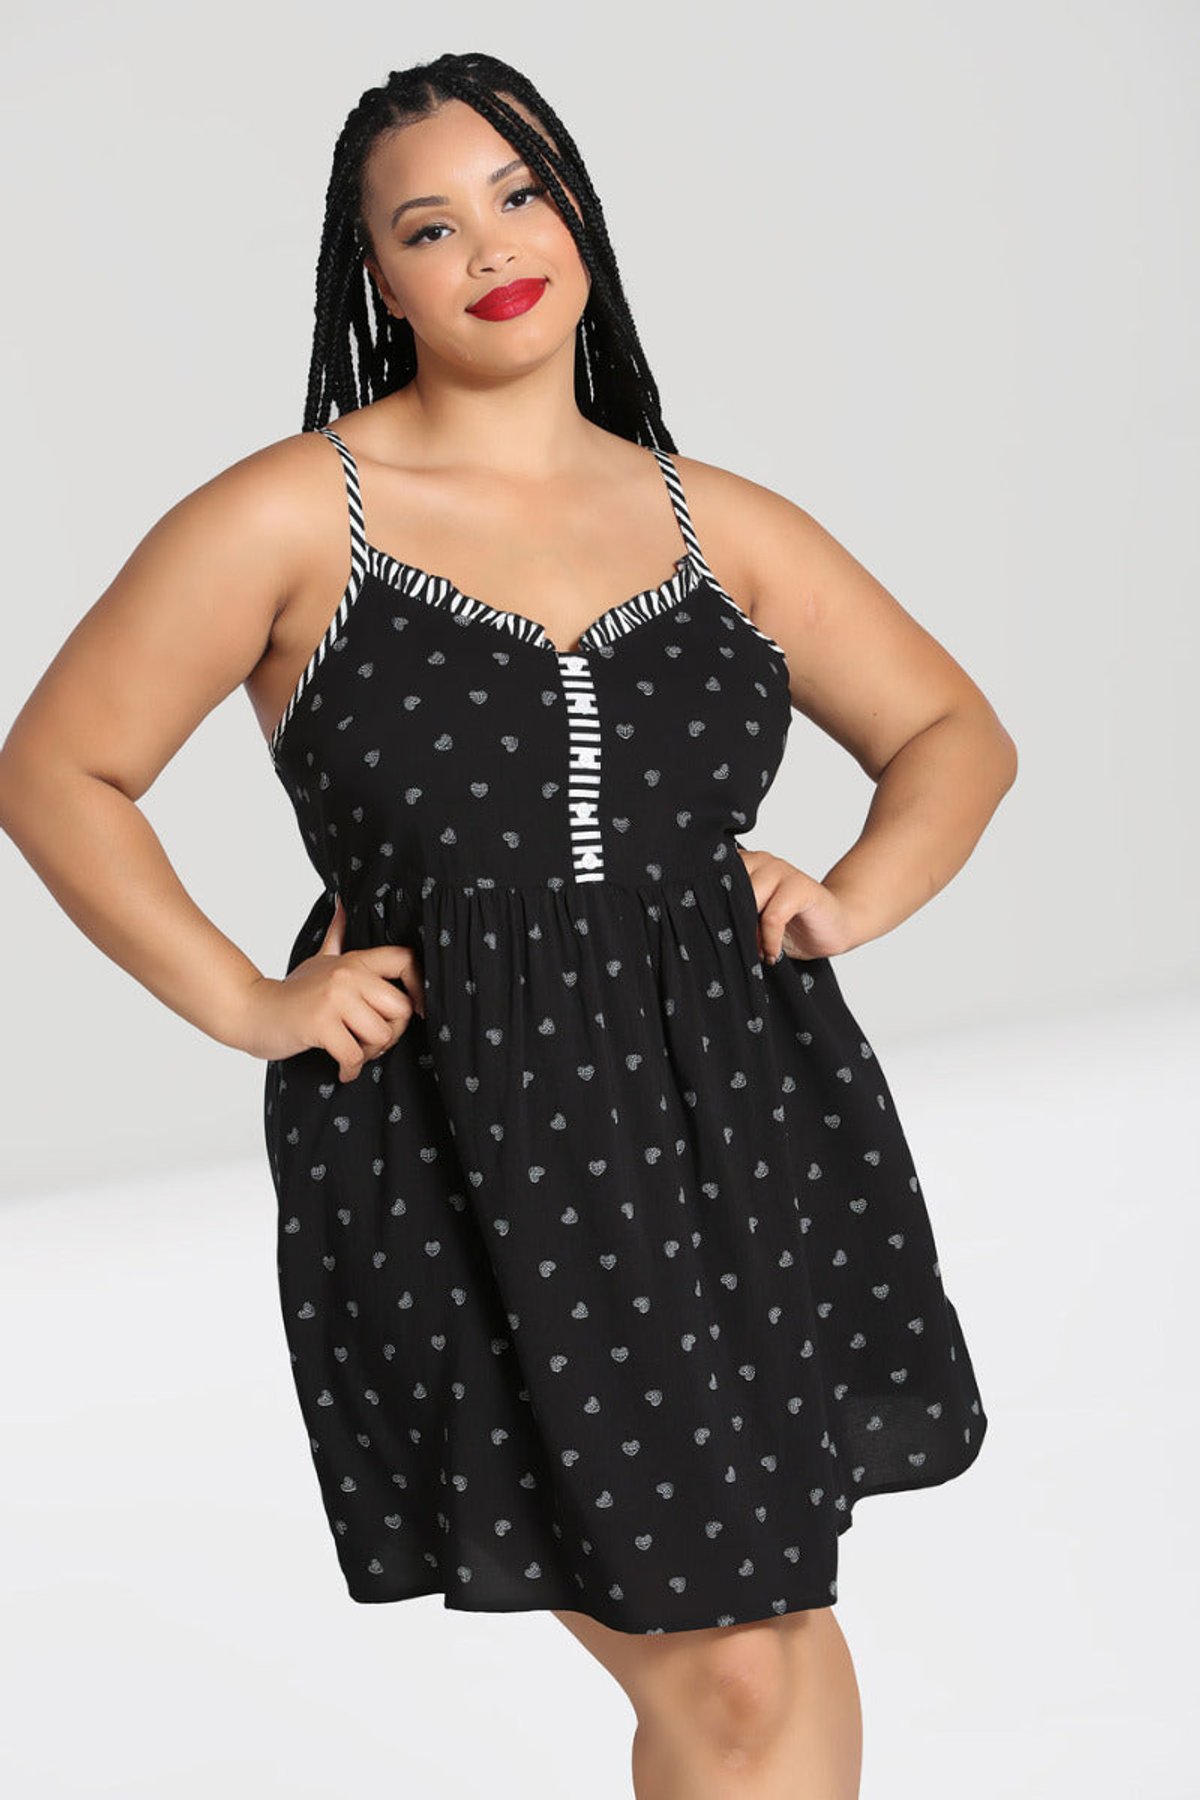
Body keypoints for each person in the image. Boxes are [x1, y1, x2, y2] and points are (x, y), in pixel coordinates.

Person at [0, 50, 1017, 1800]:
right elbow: (58, 770)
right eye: (428, 226)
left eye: (522, 195)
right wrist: (248, 1000)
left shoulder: (715, 520)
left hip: (735, 1118)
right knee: (731, 1672)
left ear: (582, 219)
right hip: (467, 1136)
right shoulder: (289, 515)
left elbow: (955, 734)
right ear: (378, 280)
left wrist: (848, 895)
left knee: (776, 1648)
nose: (489, 247)